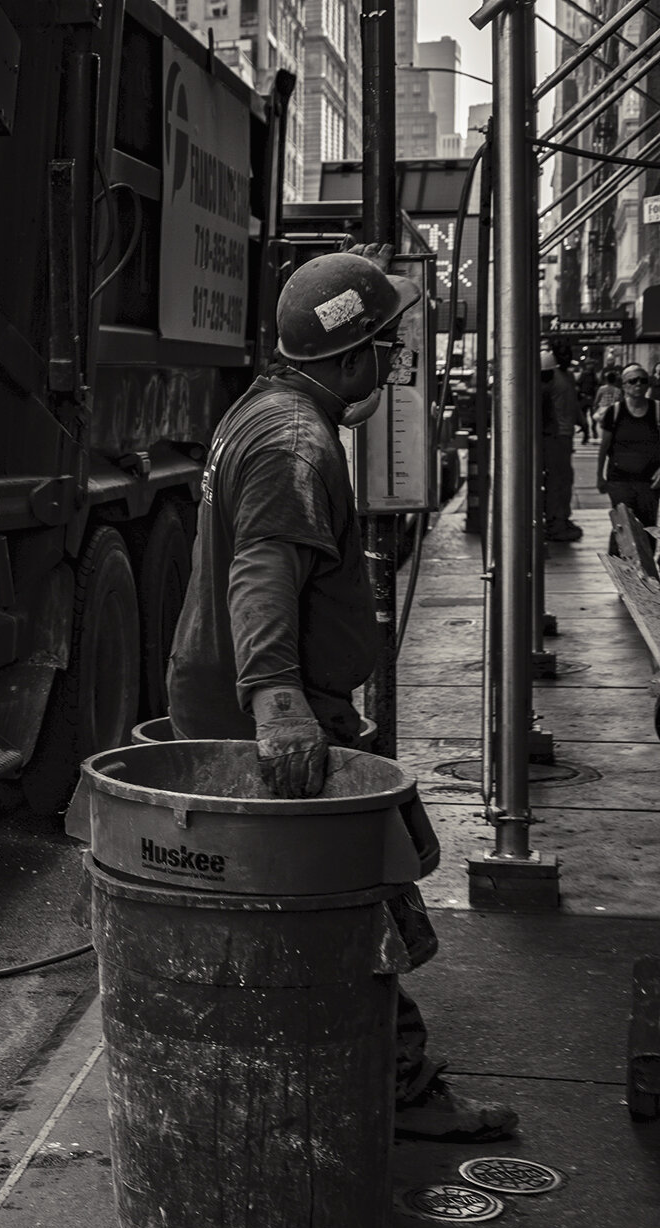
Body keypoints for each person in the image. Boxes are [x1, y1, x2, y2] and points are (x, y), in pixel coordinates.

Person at [167, 250, 520, 1142]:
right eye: (386, 346)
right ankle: (397, 1086)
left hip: (233, 698)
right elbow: (261, 571)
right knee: (357, 892)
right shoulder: (296, 439)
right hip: (277, 712)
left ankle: (314, 1061)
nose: (395, 362)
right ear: (350, 358)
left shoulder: (262, 410)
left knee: (315, 894)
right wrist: (279, 703)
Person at [597, 361, 660, 532]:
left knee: (648, 528)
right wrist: (600, 477)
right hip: (619, 480)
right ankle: (623, 559)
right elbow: (604, 447)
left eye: (642, 380)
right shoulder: (614, 412)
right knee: (624, 529)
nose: (638, 384)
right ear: (624, 386)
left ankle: (645, 560)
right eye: (632, 381)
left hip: (648, 482)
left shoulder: (657, 410)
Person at [542, 347, 583, 542]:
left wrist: (583, 423)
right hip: (556, 436)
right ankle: (555, 521)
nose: (568, 357)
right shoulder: (550, 376)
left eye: (569, 354)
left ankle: (561, 518)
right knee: (557, 481)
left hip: (563, 435)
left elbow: (573, 403)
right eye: (563, 354)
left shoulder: (567, 377)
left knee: (564, 480)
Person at [575, 354, 599, 445]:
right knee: (584, 418)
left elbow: (597, 385)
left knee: (593, 417)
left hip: (592, 398)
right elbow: (578, 384)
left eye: (592, 364)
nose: (591, 366)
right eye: (589, 364)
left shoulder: (594, 375)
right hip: (584, 398)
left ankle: (593, 430)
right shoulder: (584, 374)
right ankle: (586, 435)